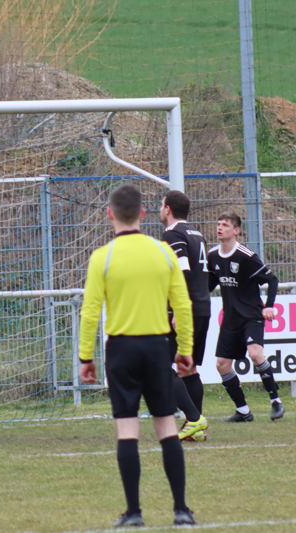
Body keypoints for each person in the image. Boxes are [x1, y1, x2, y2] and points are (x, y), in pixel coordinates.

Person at [79, 184, 197, 527]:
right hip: (158, 346)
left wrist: (86, 356)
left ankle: (134, 513)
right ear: (143, 215)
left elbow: (90, 312)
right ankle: (181, 510)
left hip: (121, 349)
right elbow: (182, 305)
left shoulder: (103, 256)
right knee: (167, 426)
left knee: (127, 428)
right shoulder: (163, 252)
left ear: (109, 215)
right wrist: (185, 349)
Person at [207, 211, 284, 422]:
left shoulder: (245, 256)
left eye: (224, 225)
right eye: (218, 223)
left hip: (251, 317)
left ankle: (275, 402)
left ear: (236, 231)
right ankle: (243, 411)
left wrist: (269, 306)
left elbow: (272, 280)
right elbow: (209, 285)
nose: (219, 227)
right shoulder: (213, 255)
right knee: (222, 365)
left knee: (255, 354)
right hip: (231, 320)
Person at [159, 191, 210, 441]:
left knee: (160, 364)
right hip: (203, 307)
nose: (160, 209)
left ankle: (193, 418)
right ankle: (196, 429)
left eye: (161, 205)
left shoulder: (172, 234)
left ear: (167, 209)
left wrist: (181, 310)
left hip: (186, 308)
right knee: (188, 369)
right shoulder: (196, 233)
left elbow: (183, 271)